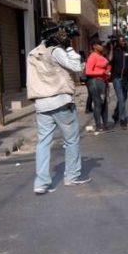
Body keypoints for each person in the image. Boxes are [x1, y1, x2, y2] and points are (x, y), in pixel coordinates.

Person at [27, 22, 91, 194]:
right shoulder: (56, 51)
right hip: (61, 101)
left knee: (43, 143)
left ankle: (41, 183)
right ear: (56, 36)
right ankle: (71, 177)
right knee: (71, 140)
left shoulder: (32, 54)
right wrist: (70, 48)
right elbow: (77, 67)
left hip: (41, 104)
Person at [108, 35, 128, 129]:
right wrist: (112, 48)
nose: (124, 42)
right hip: (116, 78)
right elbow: (109, 60)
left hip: (126, 79)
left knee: (124, 98)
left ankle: (116, 114)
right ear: (118, 42)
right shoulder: (114, 51)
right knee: (121, 98)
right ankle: (123, 120)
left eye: (124, 40)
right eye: (121, 41)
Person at [85, 38, 111, 131]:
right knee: (98, 103)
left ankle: (105, 124)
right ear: (94, 46)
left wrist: (107, 71)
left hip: (103, 81)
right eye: (99, 44)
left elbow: (108, 65)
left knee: (104, 103)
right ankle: (98, 125)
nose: (101, 46)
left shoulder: (101, 56)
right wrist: (102, 72)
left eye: (102, 44)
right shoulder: (92, 56)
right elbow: (88, 71)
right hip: (95, 82)